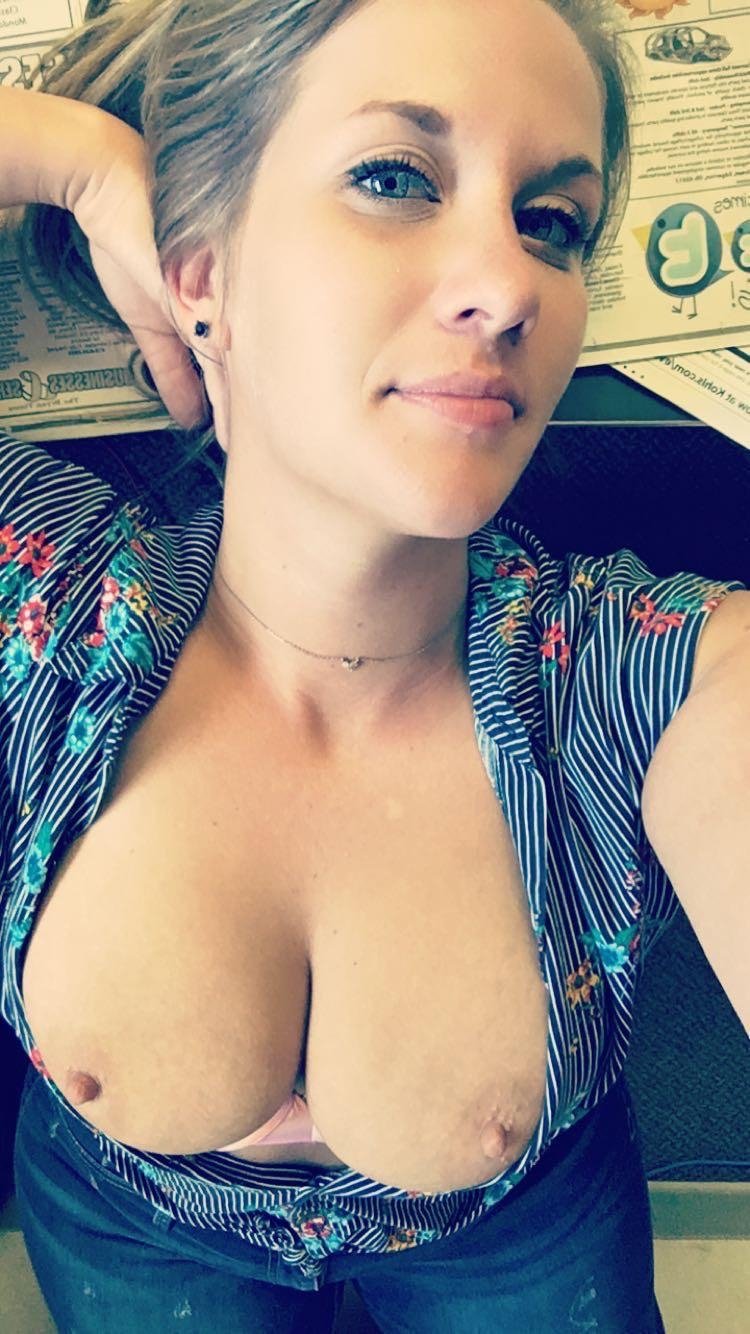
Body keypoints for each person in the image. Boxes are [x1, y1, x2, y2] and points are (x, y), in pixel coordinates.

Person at [0, 1, 747, 1330]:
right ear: (200, 275)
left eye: (552, 220)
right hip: (135, 1226)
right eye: (394, 178)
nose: (510, 286)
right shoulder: (41, 599)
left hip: (517, 1231)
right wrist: (82, 167)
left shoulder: (644, 678)